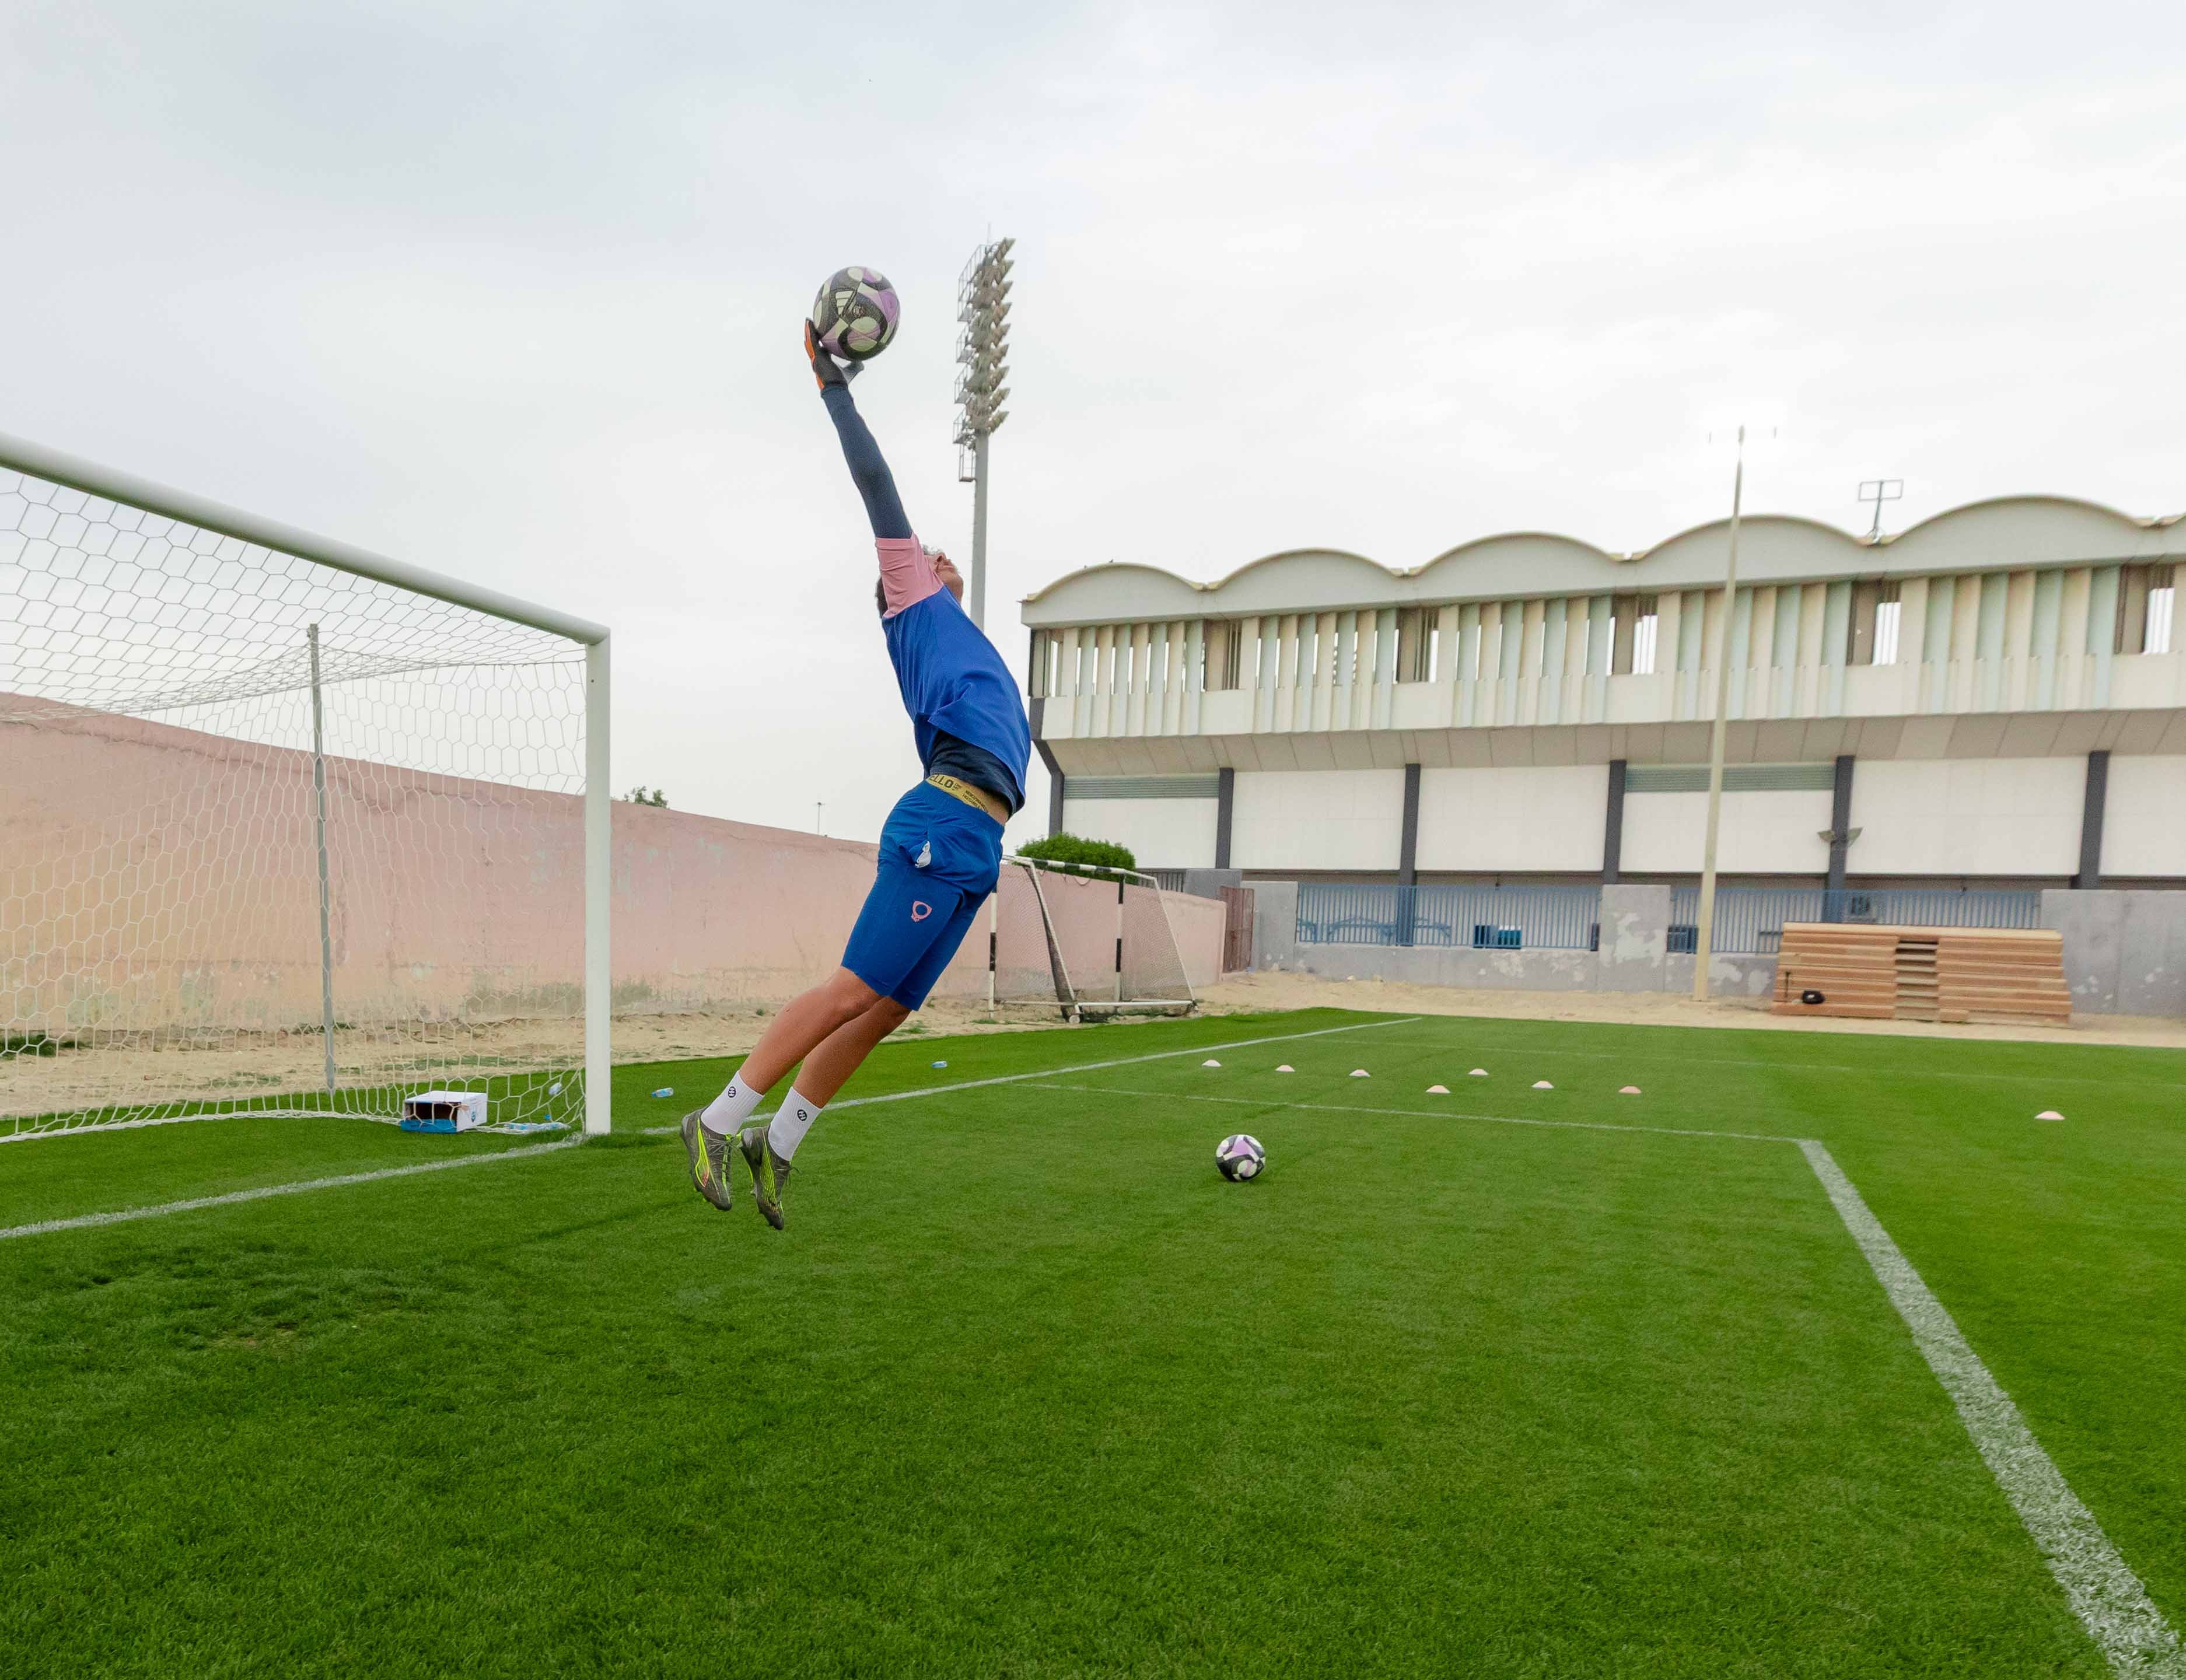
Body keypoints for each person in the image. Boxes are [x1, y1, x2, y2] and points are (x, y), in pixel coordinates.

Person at [679, 322, 1031, 1230]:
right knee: (847, 989)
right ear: (904, 584)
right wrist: (833, 387)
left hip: (977, 843)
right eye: (924, 561)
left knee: (883, 1010)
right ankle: (716, 1121)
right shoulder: (914, 606)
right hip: (940, 824)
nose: (937, 558)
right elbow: (875, 482)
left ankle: (780, 1141)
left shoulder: (961, 638)